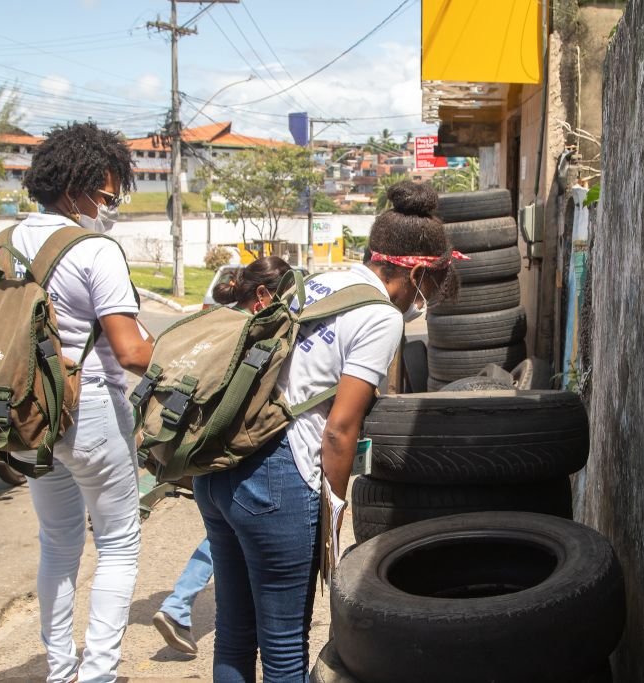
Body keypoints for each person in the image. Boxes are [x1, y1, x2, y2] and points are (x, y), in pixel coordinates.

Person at [193, 181, 463, 682]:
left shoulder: (317, 281)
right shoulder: (380, 315)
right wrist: (333, 516)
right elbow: (340, 431)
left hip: (220, 463)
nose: (424, 299)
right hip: (277, 479)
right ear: (417, 271)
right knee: (284, 645)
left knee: (233, 628)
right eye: (431, 283)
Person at [0, 121, 154, 683]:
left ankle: (60, 670)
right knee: (120, 544)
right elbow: (129, 352)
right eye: (106, 194)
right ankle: (98, 674)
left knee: (57, 543)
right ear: (75, 186)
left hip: (29, 416)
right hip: (92, 410)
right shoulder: (95, 251)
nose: (109, 206)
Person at [152, 256, 292, 656]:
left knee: (221, 534)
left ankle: (178, 604)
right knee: (234, 532)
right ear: (264, 295)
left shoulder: (210, 323)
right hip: (229, 454)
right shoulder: (249, 333)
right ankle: (179, 603)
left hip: (191, 455)